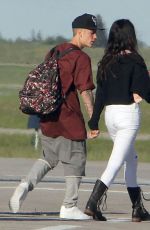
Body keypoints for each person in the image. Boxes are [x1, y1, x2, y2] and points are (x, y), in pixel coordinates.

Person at [9, 13, 103, 220]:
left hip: (48, 116)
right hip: (68, 117)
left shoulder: (55, 50)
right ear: (79, 32)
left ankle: (25, 184)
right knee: (76, 158)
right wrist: (93, 119)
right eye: (92, 32)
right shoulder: (81, 58)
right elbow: (85, 90)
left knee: (49, 157)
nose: (95, 37)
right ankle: (69, 206)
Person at [84, 19, 150, 222]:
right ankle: (92, 203)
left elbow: (101, 95)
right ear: (131, 37)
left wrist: (94, 122)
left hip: (110, 117)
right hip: (128, 116)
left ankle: (137, 208)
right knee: (115, 162)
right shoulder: (136, 60)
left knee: (131, 160)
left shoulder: (106, 62)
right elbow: (146, 92)